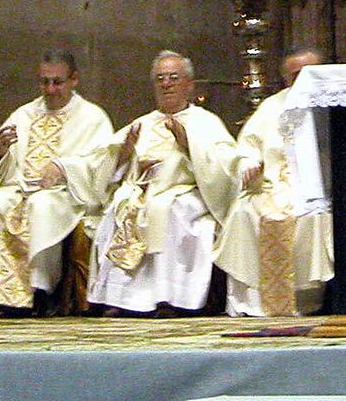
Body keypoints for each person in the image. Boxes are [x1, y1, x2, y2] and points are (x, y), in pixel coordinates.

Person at [53, 50, 237, 317]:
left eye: (174, 77)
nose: (166, 84)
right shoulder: (141, 123)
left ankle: (168, 298)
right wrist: (124, 153)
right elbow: (101, 162)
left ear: (189, 84)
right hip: (139, 191)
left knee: (167, 209)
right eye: (160, 78)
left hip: (184, 193)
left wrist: (189, 145)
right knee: (120, 206)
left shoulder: (206, 122)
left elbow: (224, 167)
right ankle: (120, 298)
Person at [0, 52, 112, 313]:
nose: (50, 90)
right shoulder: (24, 113)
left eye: (57, 82)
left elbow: (101, 163)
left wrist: (63, 167)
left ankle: (41, 289)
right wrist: (2, 151)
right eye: (44, 82)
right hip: (24, 188)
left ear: (74, 80)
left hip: (67, 194)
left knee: (42, 205)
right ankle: (7, 292)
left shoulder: (92, 117)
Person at [214, 48, 333, 316]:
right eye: (295, 76)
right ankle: (253, 303)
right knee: (245, 212)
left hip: (315, 186)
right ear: (285, 79)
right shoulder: (272, 106)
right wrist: (249, 163)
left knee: (313, 216)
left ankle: (305, 300)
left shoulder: (332, 103)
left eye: (309, 73)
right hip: (271, 183)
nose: (302, 81)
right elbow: (247, 145)